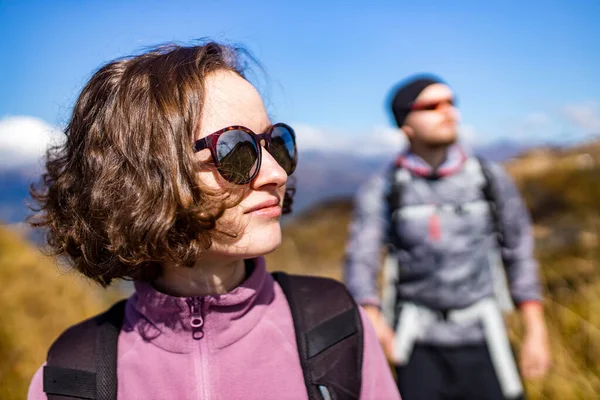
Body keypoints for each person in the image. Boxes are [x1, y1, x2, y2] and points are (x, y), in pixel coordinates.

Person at [27, 43, 400, 400]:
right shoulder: (72, 378)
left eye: (276, 143)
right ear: (141, 177)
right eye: (235, 148)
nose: (276, 173)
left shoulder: (336, 326)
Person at [344, 74, 551, 400]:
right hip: (415, 343)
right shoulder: (384, 188)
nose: (448, 111)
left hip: (486, 336)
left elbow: (519, 251)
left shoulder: (488, 178)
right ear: (405, 125)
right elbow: (362, 256)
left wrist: (535, 331)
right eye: (431, 105)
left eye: (450, 102)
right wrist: (372, 319)